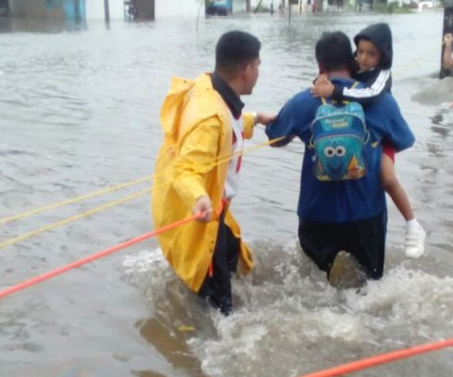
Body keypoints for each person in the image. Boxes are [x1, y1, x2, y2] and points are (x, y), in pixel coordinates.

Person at [265, 31, 415, 282]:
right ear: (353, 60)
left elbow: (275, 139)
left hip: (317, 213)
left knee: (313, 290)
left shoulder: (304, 101)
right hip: (367, 213)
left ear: (320, 65)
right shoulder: (381, 102)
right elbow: (402, 140)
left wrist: (276, 124)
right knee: (370, 289)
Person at [152, 31, 274, 315]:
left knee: (235, 263)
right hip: (199, 213)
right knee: (220, 310)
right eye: (258, 65)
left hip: (210, 210)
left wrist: (254, 119)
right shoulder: (209, 117)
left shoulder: (210, 86)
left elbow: (224, 127)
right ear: (246, 70)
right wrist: (199, 199)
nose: (258, 72)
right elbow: (186, 170)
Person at [311, 23, 427, 259]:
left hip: (383, 134)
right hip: (355, 130)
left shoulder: (383, 74)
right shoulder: (356, 64)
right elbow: (337, 73)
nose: (363, 58)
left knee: (387, 178)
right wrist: (320, 81)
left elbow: (371, 94)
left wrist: (334, 92)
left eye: (370, 53)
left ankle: (413, 225)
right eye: (360, 51)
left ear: (383, 55)